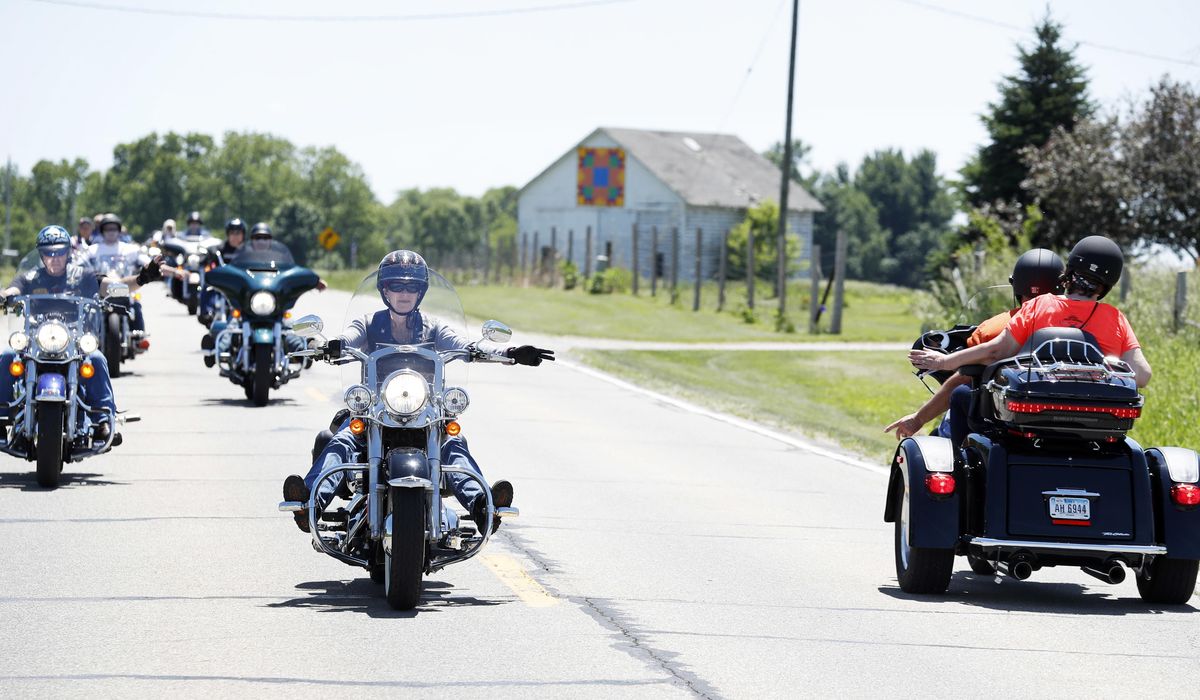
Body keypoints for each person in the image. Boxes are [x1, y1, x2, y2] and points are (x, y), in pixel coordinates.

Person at [281, 250, 555, 534]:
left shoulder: (434, 327)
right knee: (342, 441)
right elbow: (347, 338)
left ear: (420, 291)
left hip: (425, 410)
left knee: (454, 446)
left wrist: (509, 352)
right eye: (396, 285)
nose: (403, 293)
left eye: (411, 286)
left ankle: (482, 506)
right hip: (377, 409)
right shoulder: (367, 323)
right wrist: (333, 345)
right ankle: (308, 502)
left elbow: (466, 345)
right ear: (384, 290)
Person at [908, 235, 1152, 444]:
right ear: (1108, 285)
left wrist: (944, 362)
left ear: (1069, 271)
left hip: (1031, 420)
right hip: (1095, 425)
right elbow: (1142, 375)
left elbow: (995, 351)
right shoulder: (1115, 318)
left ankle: (962, 483)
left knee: (961, 395)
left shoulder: (1039, 306)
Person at [0, 226, 165, 445]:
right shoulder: (30, 277)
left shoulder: (83, 277)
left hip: (75, 338)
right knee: (9, 355)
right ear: (41, 254)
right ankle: (2, 417)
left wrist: (143, 277)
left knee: (96, 358)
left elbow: (115, 286)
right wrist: (4, 296)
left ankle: (103, 419)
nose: (54, 257)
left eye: (59, 252)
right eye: (49, 252)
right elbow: (13, 291)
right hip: (37, 338)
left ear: (68, 252)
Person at [885, 248, 1064, 446]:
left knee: (960, 394)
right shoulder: (1078, 328)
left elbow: (963, 378)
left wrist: (918, 418)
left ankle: (958, 466)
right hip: (1061, 421)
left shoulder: (994, 329)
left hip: (1001, 424)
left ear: (1017, 287)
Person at [84, 213, 149, 333]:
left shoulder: (130, 249)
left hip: (126, 288)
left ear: (119, 230)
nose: (111, 232)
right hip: (101, 290)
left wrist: (152, 268)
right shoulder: (92, 250)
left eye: (114, 228)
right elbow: (79, 263)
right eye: (108, 229)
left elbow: (147, 262)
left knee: (135, 304)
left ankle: (139, 336)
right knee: (87, 309)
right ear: (102, 231)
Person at [198, 218, 246, 324]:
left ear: (243, 234)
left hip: (244, 285)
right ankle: (207, 312)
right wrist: (206, 256)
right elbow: (209, 254)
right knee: (209, 285)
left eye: (238, 233)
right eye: (232, 233)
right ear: (228, 234)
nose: (235, 236)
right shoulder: (220, 249)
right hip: (224, 284)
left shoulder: (248, 251)